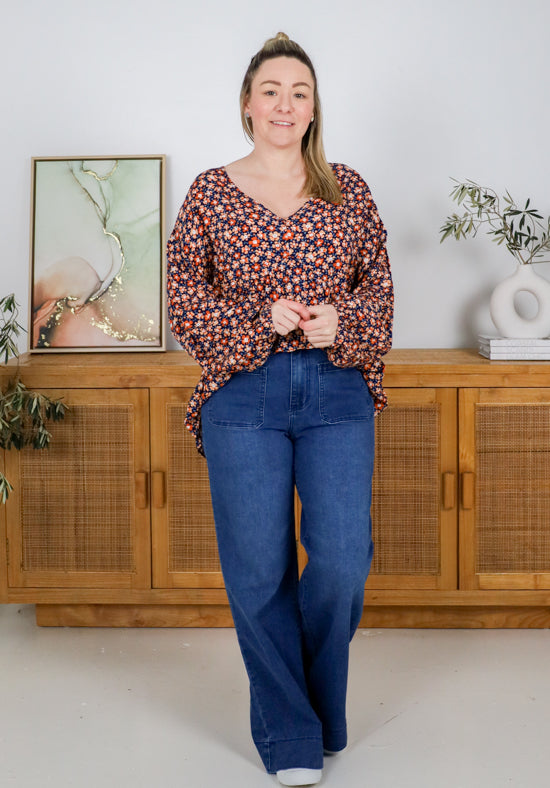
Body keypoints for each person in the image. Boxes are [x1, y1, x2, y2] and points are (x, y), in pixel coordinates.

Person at [166, 32, 393, 787]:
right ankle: (293, 733)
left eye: (299, 92)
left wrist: (342, 324)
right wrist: (256, 321)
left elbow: (380, 296)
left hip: (336, 391)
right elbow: (182, 301)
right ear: (247, 104)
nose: (285, 105)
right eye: (271, 91)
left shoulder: (348, 190)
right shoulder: (210, 192)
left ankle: (315, 705)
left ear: (314, 107)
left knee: (343, 559)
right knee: (258, 571)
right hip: (243, 394)